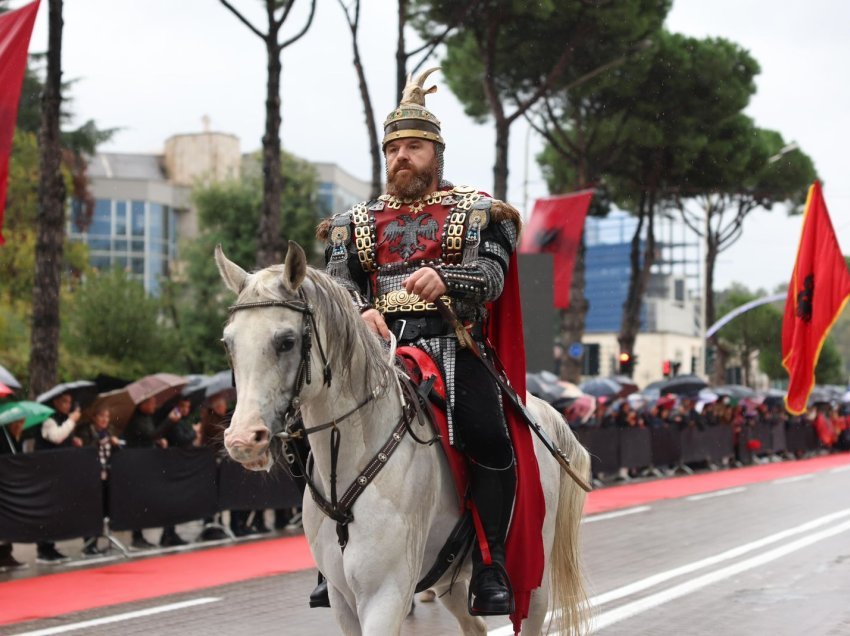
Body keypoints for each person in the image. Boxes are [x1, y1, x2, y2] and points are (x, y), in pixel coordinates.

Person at [316, 68, 529, 616]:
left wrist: (448, 279)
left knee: (490, 436)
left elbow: (493, 276)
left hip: (455, 349)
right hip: (376, 353)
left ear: (436, 152)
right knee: (304, 428)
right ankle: (328, 560)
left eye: (413, 146)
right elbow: (338, 280)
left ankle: (490, 564)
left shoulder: (481, 212)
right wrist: (361, 308)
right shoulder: (353, 222)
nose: (401, 158)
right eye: (393, 149)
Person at [34, 392, 82, 563]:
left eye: (70, 402)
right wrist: (72, 420)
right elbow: (56, 436)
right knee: (47, 509)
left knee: (56, 510)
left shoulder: (62, 418)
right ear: (55, 402)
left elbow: (63, 437)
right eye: (64, 401)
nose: (68, 405)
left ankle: (51, 546)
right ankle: (44, 549)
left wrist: (73, 439)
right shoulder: (48, 418)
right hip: (47, 472)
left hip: (59, 471)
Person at [122, 397, 170, 549]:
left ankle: (148, 534)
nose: (154, 405)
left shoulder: (148, 418)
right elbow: (149, 435)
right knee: (138, 500)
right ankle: (137, 536)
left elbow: (150, 437)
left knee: (147, 500)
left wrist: (158, 442)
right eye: (150, 402)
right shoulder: (135, 419)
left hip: (147, 463)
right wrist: (170, 421)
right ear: (142, 403)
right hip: (137, 465)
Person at [77, 406, 121, 556]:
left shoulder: (108, 432)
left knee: (103, 509)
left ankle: (100, 542)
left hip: (107, 475)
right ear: (94, 417)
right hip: (90, 475)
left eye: (107, 417)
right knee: (91, 510)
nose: (104, 420)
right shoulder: (86, 431)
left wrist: (116, 445)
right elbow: (85, 450)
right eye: (101, 416)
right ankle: (89, 544)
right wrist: (100, 441)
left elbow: (113, 453)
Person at [0, 418, 26, 570]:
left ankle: (5, 555)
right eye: (18, 422)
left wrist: (16, 436)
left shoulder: (7, 431)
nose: (19, 426)